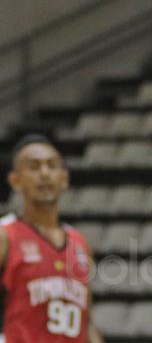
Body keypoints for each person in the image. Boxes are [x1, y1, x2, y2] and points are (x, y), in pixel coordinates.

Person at [0, 135, 103, 343]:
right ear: (15, 180)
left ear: (64, 179)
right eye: (34, 167)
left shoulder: (80, 243)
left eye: (52, 165)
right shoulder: (5, 235)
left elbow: (85, 322)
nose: (45, 173)